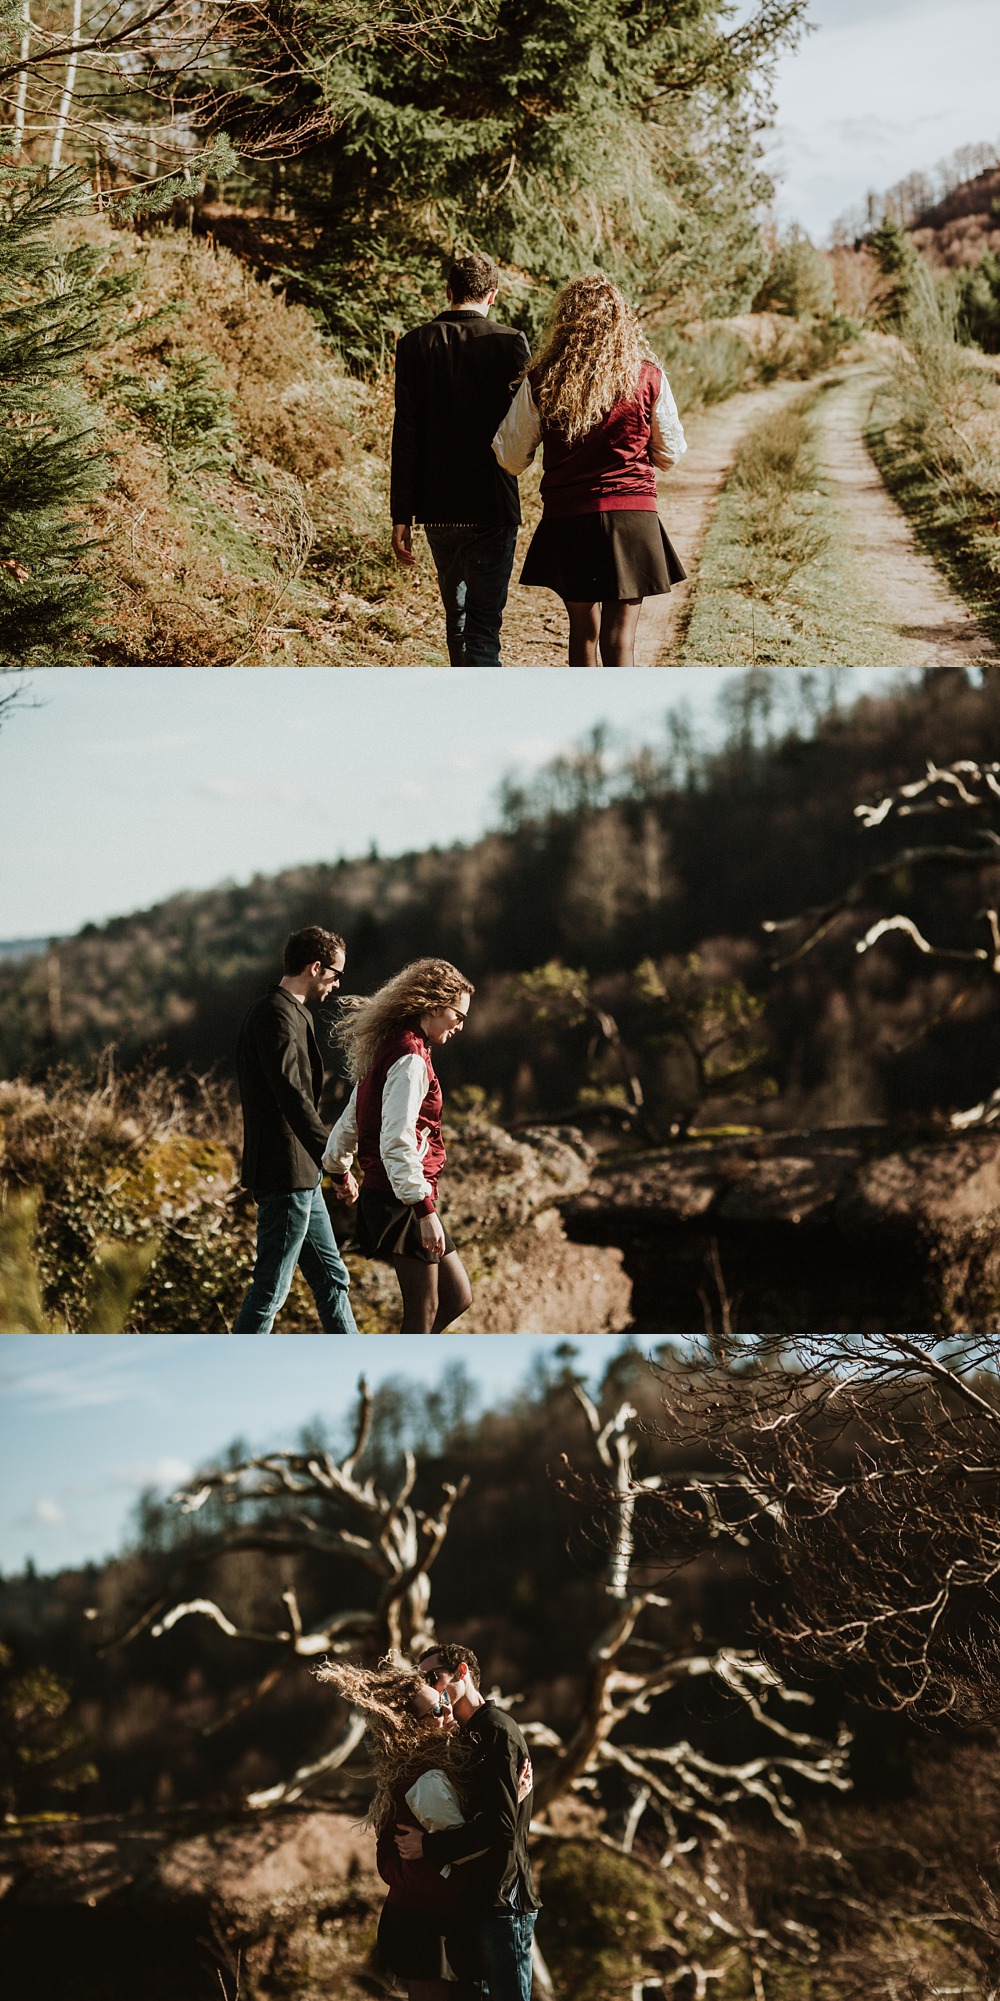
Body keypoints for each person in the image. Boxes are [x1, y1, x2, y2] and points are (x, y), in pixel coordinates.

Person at [492, 272, 688, 667]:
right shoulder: (648, 376)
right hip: (632, 517)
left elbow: (510, 457)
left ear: (566, 322)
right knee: (620, 641)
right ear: (621, 319)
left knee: (583, 632)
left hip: (570, 519)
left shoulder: (543, 380)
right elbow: (671, 454)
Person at [315, 1655, 533, 2001]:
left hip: (422, 1913)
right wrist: (514, 1803)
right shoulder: (428, 1778)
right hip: (430, 1922)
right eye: (435, 1711)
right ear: (412, 1725)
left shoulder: (428, 1764)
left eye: (444, 1703)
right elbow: (469, 1850)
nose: (447, 1713)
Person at [390, 252, 530, 666]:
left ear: (448, 292)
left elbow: (406, 433)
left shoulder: (414, 343)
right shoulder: (510, 342)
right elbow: (524, 425)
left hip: (438, 509)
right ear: (493, 295)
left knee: (457, 623)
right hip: (492, 503)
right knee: (485, 626)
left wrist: (402, 514)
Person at [323, 957, 474, 1334]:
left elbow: (352, 1118)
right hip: (401, 1197)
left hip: (399, 1193)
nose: (460, 1026)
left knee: (457, 1297)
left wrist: (338, 1167)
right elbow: (396, 1140)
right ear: (434, 1005)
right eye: (458, 1015)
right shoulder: (409, 1058)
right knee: (423, 1311)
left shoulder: (392, 1047)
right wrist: (424, 1210)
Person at [233, 925, 359, 1334]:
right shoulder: (275, 1014)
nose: (337, 985)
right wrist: (336, 1160)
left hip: (302, 1173)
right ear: (315, 967)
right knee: (271, 1289)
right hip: (286, 1175)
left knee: (331, 1280)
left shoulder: (282, 1012)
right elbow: (293, 1099)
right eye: (335, 975)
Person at [397, 1643, 539, 2001]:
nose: (429, 1686)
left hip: (502, 1902)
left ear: (462, 1672)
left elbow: (501, 1827)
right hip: (476, 1903)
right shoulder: (462, 1738)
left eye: (434, 1676)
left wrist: (428, 1846)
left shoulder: (495, 1731)